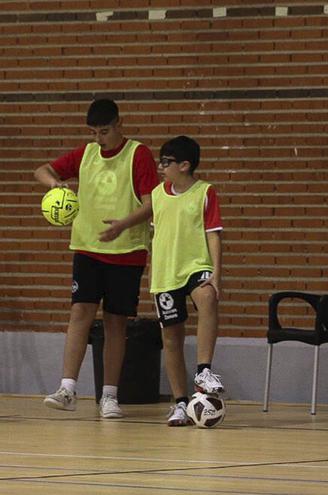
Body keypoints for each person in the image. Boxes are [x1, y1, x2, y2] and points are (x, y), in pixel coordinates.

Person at [34, 99, 159, 419]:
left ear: (120, 124)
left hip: (126, 252)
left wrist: (123, 225)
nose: (99, 138)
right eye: (93, 132)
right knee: (80, 313)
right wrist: (55, 184)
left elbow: (151, 203)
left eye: (104, 131)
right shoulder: (86, 154)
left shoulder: (138, 154)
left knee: (116, 323)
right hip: (88, 248)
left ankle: (109, 396)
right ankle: (67, 388)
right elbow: (42, 170)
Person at [149, 136, 225, 426]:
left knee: (207, 297)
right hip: (166, 273)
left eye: (166, 162)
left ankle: (204, 370)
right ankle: (180, 403)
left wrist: (216, 275)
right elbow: (158, 234)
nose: (160, 167)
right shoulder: (157, 195)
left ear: (184, 165)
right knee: (171, 337)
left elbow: (213, 234)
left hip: (196, 265)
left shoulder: (205, 192)